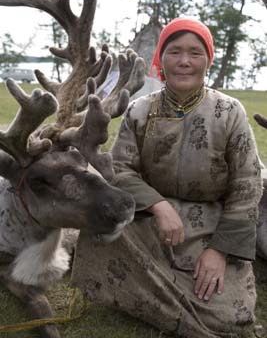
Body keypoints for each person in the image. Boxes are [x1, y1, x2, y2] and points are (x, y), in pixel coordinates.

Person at [73, 18, 262, 338]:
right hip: (152, 225)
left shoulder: (230, 112)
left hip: (214, 226)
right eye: (174, 51)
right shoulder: (139, 110)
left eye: (195, 53)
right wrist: (159, 206)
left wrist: (219, 251)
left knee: (233, 315)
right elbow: (121, 168)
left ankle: (154, 298)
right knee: (99, 232)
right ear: (162, 59)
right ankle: (172, 301)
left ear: (208, 60)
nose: (185, 61)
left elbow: (247, 184)